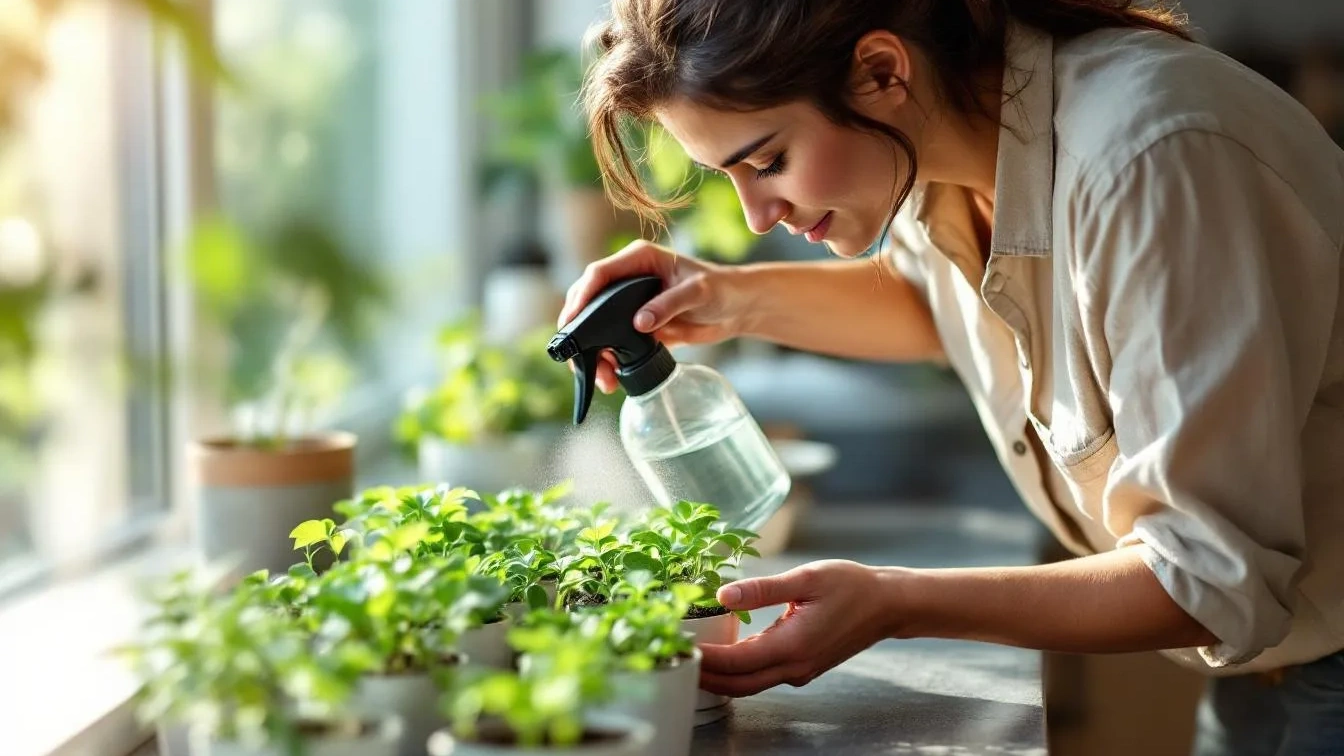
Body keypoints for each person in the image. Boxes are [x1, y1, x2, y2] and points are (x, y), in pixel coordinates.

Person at [559, 1, 1344, 753]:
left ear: (879, 71)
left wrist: (898, 601)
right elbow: (943, 306)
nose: (760, 215)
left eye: (768, 161)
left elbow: (1207, 575)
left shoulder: (1150, 160)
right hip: (1276, 663)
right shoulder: (937, 152)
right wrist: (722, 296)